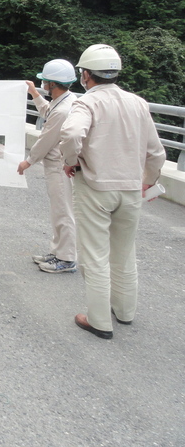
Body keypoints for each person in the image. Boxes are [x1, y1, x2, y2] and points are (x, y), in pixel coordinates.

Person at [59, 44, 165, 340]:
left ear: (86, 75)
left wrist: (72, 161)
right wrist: (148, 180)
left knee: (95, 256)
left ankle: (99, 321)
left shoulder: (87, 103)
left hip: (95, 187)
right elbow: (156, 153)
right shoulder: (138, 103)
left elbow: (70, 135)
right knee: (124, 253)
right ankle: (125, 311)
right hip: (131, 190)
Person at [17, 59, 78, 274]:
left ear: (53, 83)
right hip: (57, 164)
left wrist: (28, 161)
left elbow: (46, 138)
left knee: (63, 211)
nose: (43, 84)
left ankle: (67, 258)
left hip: (59, 166)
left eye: (44, 81)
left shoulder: (63, 109)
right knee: (58, 211)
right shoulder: (64, 100)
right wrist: (34, 93)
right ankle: (58, 251)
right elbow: (47, 112)